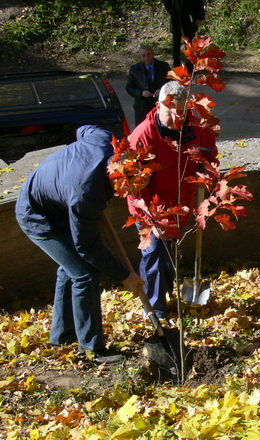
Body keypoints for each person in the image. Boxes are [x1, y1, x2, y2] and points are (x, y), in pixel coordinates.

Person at [15, 125, 146, 364]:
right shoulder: (86, 194)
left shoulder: (104, 140)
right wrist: (125, 276)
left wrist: (71, 164)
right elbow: (87, 247)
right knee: (84, 273)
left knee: (71, 268)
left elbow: (83, 129)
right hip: (37, 216)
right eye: (126, 188)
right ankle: (91, 349)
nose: (128, 193)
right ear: (114, 177)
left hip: (60, 201)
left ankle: (62, 336)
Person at [127, 81, 218, 318]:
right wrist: (152, 219)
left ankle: (164, 294)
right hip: (149, 207)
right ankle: (154, 310)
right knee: (154, 255)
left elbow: (211, 155)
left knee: (169, 255)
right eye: (170, 111)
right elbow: (135, 186)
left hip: (180, 205)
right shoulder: (143, 136)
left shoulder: (197, 129)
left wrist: (207, 172)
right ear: (159, 106)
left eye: (181, 111)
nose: (176, 116)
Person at [126, 45, 171, 127]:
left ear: (153, 54)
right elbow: (129, 87)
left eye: (148, 54)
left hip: (160, 104)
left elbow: (171, 81)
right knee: (143, 129)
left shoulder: (163, 66)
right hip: (142, 107)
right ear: (139, 57)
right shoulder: (134, 69)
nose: (146, 58)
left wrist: (162, 90)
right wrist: (141, 93)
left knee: (161, 128)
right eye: (143, 56)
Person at [162, 0, 205, 67]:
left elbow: (199, 1)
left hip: (190, 14)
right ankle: (176, 64)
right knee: (176, 41)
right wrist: (170, 10)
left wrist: (200, 16)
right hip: (176, 14)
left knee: (189, 42)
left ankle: (190, 64)